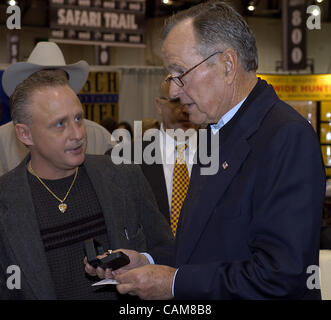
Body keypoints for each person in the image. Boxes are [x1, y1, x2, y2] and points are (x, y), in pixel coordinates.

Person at [86, 1, 325, 300]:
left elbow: (281, 275)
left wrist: (174, 284)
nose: (173, 91)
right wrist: (147, 262)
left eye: (181, 73)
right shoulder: (216, 133)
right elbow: (203, 247)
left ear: (227, 65)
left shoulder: (286, 137)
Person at [0, 42, 173, 300]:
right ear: (25, 134)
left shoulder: (124, 177)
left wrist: (143, 261)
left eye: (78, 118)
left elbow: (167, 253)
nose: (77, 134)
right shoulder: (6, 201)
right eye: (60, 124)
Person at [139, 80, 199, 233]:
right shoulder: (129, 159)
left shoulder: (222, 154)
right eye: (177, 101)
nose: (185, 109)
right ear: (159, 105)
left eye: (193, 100)